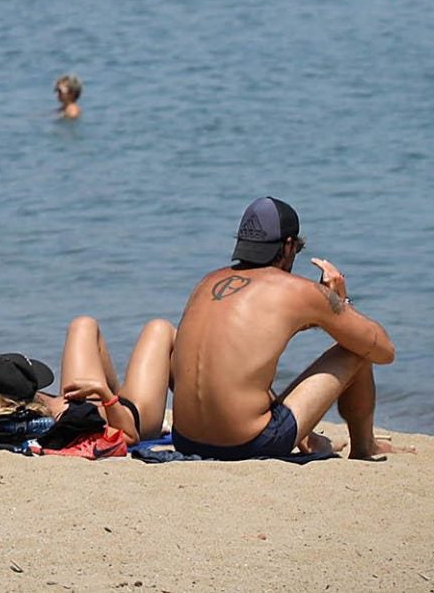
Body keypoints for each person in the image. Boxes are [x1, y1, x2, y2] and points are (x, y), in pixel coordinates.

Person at [169, 197, 397, 460]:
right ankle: (365, 447)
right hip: (249, 444)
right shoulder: (295, 289)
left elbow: (259, 329)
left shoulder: (206, 282)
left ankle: (312, 440)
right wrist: (340, 303)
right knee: (356, 350)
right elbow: (382, 350)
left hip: (185, 440)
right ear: (289, 246)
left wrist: (322, 312)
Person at [55, 315, 174, 448]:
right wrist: (103, 391)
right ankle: (191, 422)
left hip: (81, 402)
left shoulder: (34, 402)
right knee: (160, 329)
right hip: (129, 422)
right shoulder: (47, 423)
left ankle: (118, 396)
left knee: (83, 324)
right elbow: (129, 436)